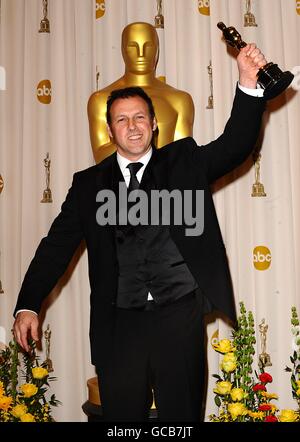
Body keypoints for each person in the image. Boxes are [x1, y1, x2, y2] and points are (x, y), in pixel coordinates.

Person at [13, 42, 267, 421]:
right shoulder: (88, 185)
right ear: (110, 129)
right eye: (121, 119)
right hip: (118, 325)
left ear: (153, 123)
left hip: (179, 317)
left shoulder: (183, 162)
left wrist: (248, 83)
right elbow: (56, 246)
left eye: (139, 117)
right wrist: (28, 302)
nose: (132, 126)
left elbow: (235, 146)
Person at [88, 22, 194, 164]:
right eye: (133, 46)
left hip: (166, 184)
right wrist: (140, 141)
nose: (141, 54)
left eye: (148, 46)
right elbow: (101, 157)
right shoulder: (100, 100)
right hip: (118, 184)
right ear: (123, 50)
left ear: (157, 50)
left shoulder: (179, 100)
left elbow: (183, 158)